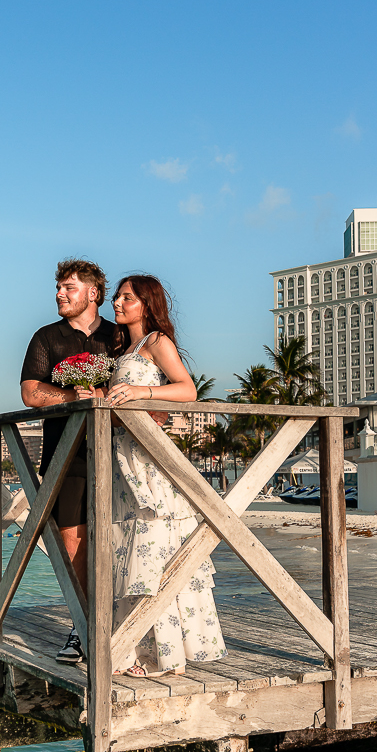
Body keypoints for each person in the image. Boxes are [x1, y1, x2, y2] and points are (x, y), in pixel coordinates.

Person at [101, 274, 228, 678]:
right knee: (128, 549)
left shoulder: (156, 342)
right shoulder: (123, 348)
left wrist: (143, 394)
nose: (117, 304)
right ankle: (133, 647)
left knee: (154, 543)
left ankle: (163, 652)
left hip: (149, 457)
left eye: (126, 298)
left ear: (146, 303)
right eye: (117, 297)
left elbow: (187, 389)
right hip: (122, 458)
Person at [21, 259, 116, 663]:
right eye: (58, 288)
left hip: (119, 454)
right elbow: (29, 393)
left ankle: (123, 624)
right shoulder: (46, 337)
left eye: (69, 288)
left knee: (120, 540)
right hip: (66, 456)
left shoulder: (120, 336)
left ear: (93, 293)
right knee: (72, 542)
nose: (60, 294)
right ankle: (83, 626)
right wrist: (70, 397)